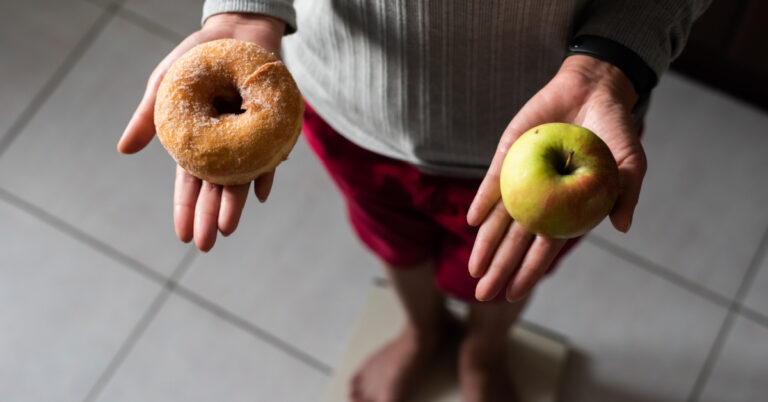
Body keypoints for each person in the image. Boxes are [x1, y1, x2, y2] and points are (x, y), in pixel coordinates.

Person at [118, 1, 711, 401]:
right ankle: (423, 330)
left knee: (507, 267)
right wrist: (243, 8)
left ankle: (484, 349)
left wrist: (609, 66)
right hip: (348, 102)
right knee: (391, 238)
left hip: (562, 108)